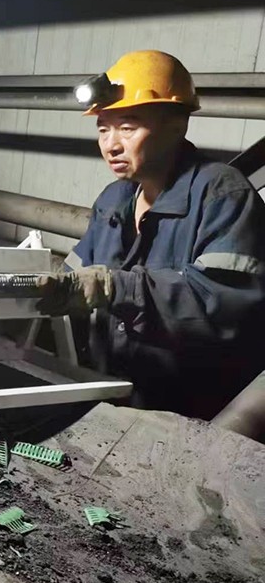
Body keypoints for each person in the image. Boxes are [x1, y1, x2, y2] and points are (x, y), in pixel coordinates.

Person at [36, 50, 265, 422]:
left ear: (177, 125)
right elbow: (75, 278)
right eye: (103, 128)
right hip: (113, 396)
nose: (111, 144)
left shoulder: (222, 194)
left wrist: (116, 288)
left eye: (127, 127)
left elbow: (223, 304)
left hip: (190, 413)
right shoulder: (114, 200)